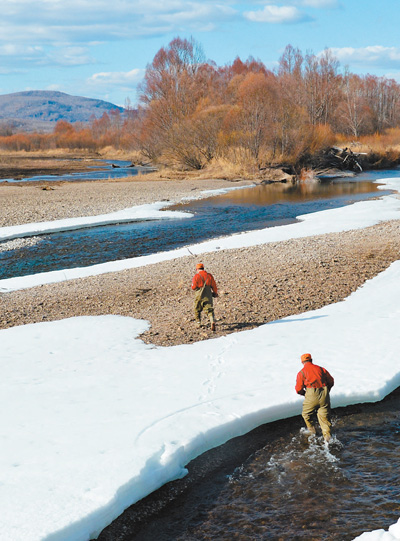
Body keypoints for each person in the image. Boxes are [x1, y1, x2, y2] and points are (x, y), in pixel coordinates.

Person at [295, 353, 334, 442]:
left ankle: (312, 432)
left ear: (302, 362)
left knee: (306, 415)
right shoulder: (321, 369)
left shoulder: (301, 373)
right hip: (324, 394)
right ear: (311, 360)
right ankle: (328, 440)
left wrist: (305, 394)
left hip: (311, 395)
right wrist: (326, 392)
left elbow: (298, 389)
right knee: (325, 419)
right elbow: (331, 381)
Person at [191, 263, 218, 331]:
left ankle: (198, 323)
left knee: (197, 309)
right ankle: (212, 321)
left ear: (197, 269)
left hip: (199, 295)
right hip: (208, 294)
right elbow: (214, 285)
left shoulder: (196, 276)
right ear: (203, 268)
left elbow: (193, 287)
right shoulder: (209, 275)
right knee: (209, 309)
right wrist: (215, 292)